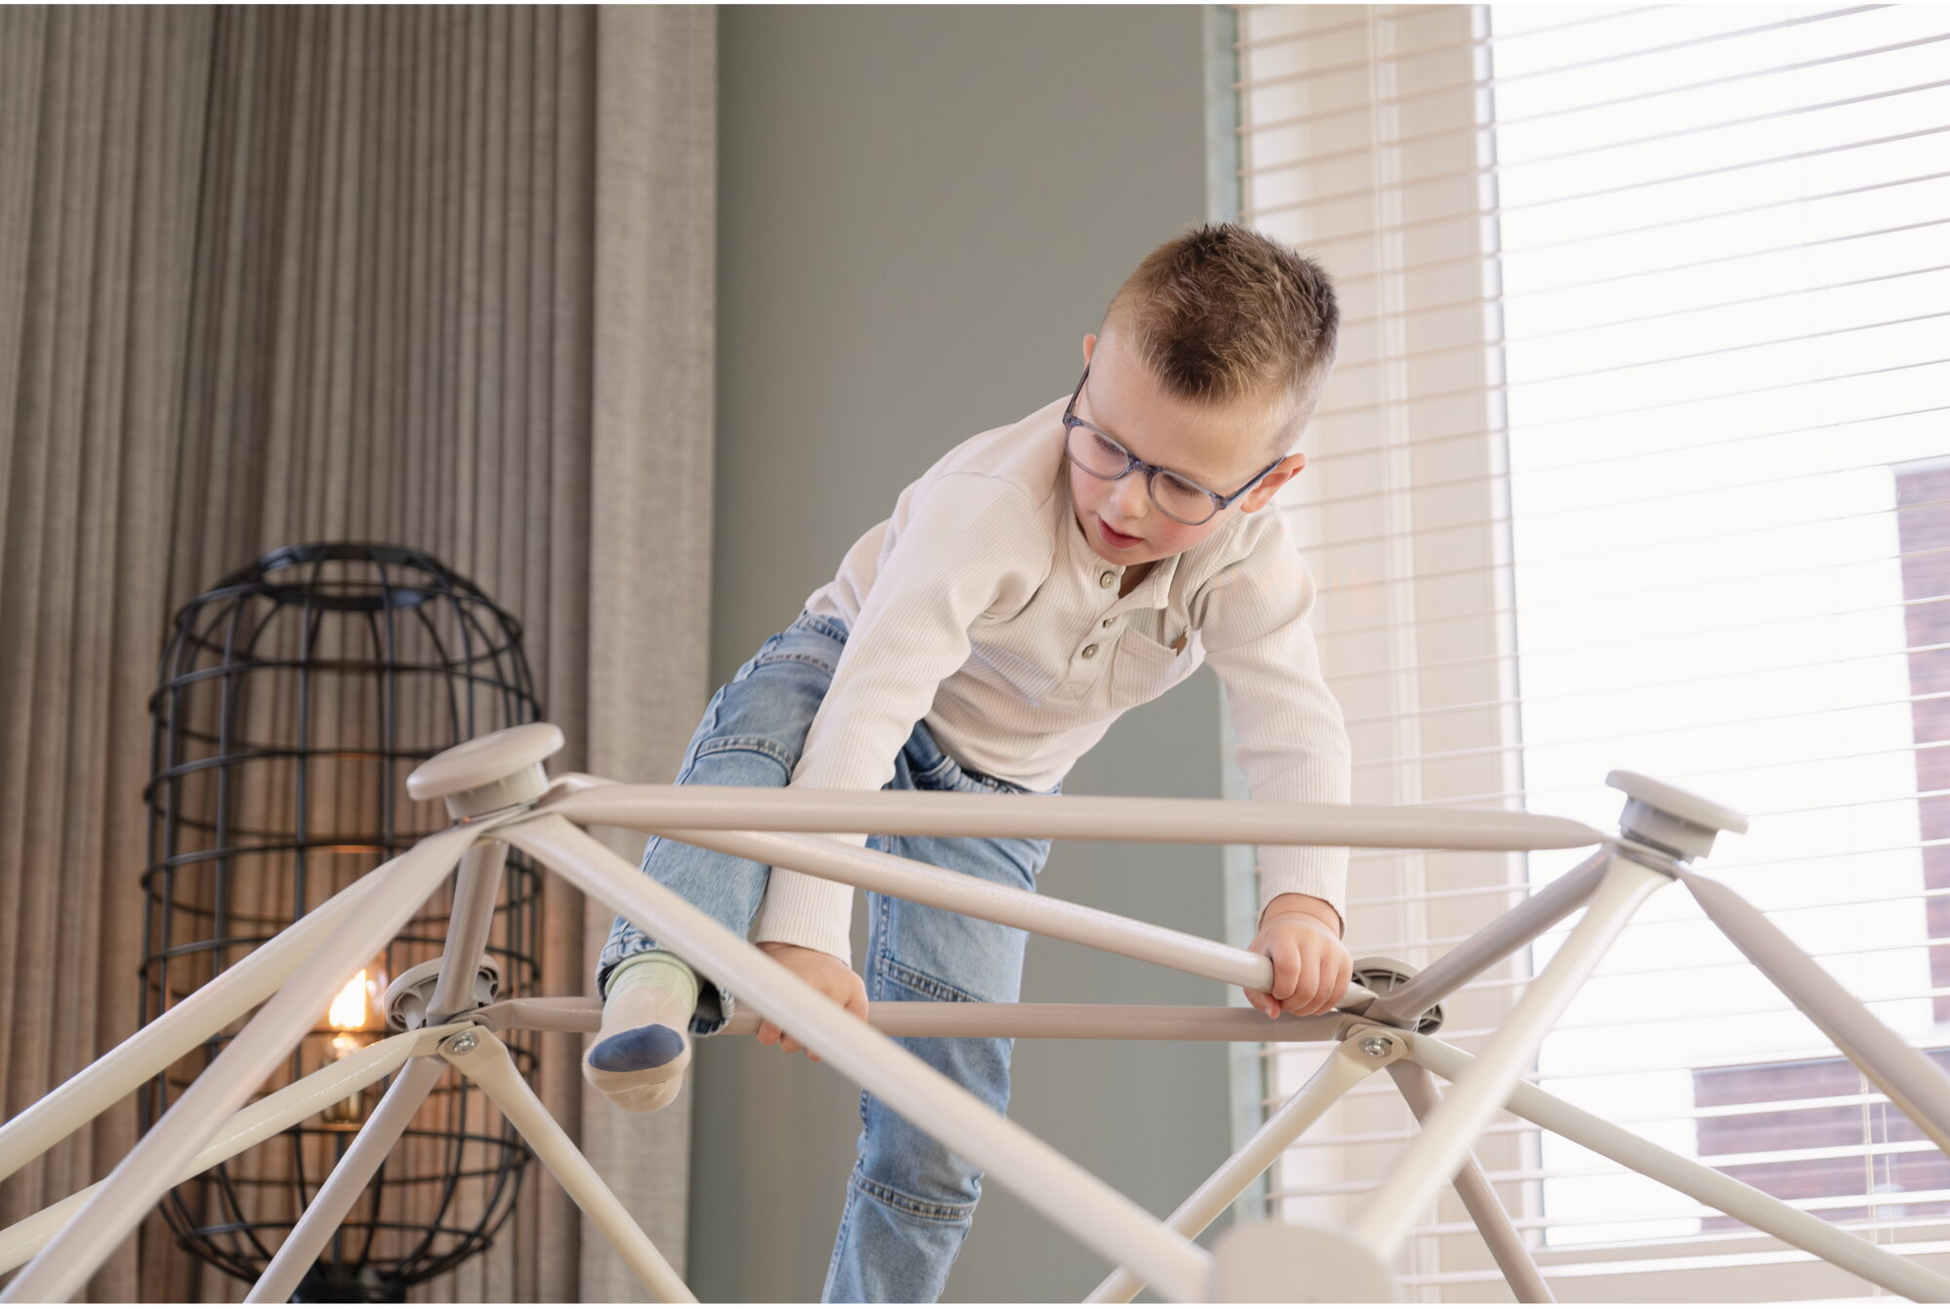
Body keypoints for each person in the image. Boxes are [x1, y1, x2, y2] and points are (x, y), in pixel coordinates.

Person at [584, 221, 1355, 1302]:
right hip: (847, 669)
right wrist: (805, 933)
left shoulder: (1251, 565)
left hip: (994, 795)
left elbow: (1295, 724)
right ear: (1088, 369)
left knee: (948, 1119)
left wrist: (1305, 904)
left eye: (1182, 485)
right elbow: (869, 705)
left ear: (1267, 485)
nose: (1123, 500)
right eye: (1105, 444)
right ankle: (654, 981)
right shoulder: (992, 502)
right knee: (751, 760)